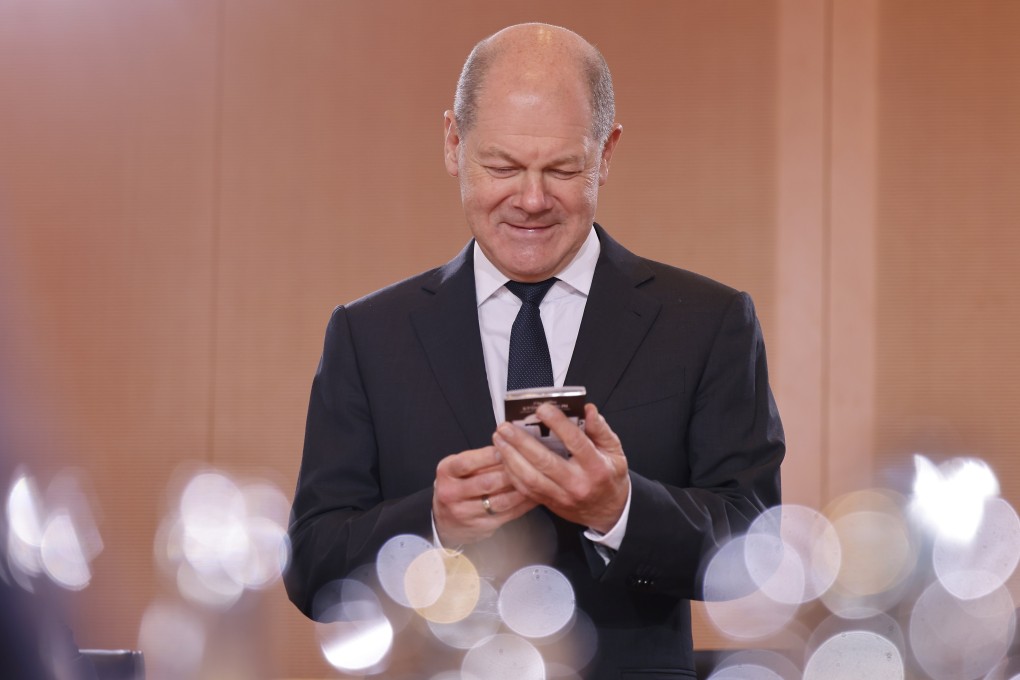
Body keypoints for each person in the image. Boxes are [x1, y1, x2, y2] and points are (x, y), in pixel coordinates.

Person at [286, 23, 784, 679]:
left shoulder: (708, 322)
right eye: (501, 166)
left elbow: (757, 550)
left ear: (606, 154)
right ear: (452, 143)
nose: (530, 199)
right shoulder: (368, 334)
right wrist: (430, 524)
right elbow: (312, 564)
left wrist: (621, 511)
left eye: (562, 168)